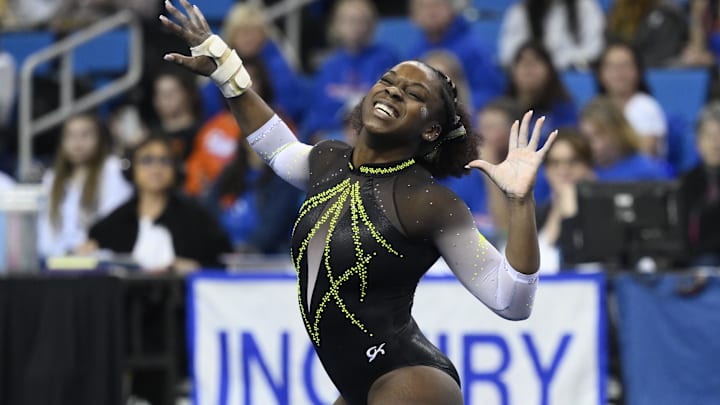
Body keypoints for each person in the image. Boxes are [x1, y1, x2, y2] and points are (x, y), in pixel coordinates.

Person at [160, 1, 556, 403]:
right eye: (388, 81)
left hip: (410, 380)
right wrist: (225, 69)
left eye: (414, 94)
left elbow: (511, 300)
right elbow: (276, 147)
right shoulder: (328, 160)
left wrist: (520, 202)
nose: (393, 92)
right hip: (356, 387)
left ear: (432, 130)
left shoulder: (428, 201)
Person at [82, 135, 232, 272]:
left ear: (176, 169)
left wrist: (195, 268)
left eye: (165, 161)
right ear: (131, 168)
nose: (156, 169)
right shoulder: (113, 222)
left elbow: (221, 261)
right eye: (147, 161)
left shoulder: (197, 219)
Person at [37, 113, 132, 258]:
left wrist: (92, 247)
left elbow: (116, 220)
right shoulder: (52, 178)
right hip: (58, 262)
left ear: (100, 139)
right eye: (71, 136)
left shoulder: (112, 170)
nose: (78, 143)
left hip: (99, 260)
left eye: (86, 135)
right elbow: (46, 229)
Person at [302, 0, 398, 142]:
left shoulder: (387, 60)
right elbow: (316, 114)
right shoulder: (329, 65)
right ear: (335, 25)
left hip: (374, 135)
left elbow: (393, 105)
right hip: (333, 135)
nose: (355, 27)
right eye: (348, 20)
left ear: (371, 24)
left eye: (361, 20)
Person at [199, 2, 304, 122]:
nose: (249, 38)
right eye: (242, 31)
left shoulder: (279, 65)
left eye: (254, 31)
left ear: (264, 34)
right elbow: (209, 106)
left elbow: (290, 106)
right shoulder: (218, 62)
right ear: (232, 34)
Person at [204, 140, 302, 254]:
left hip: (264, 257)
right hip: (222, 251)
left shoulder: (283, 179)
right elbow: (208, 211)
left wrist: (245, 250)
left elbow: (274, 226)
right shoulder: (228, 174)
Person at [408, 0, 504, 111]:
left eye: (436, 5)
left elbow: (490, 92)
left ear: (451, 8)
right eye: (423, 7)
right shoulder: (415, 51)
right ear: (413, 15)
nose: (430, 12)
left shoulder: (474, 48)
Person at [596, 41, 668, 158]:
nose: (618, 72)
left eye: (625, 65)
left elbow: (647, 153)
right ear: (600, 73)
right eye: (612, 66)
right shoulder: (596, 108)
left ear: (638, 71)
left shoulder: (646, 107)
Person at [536, 129, 594, 273]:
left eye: (572, 162)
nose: (563, 170)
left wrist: (569, 216)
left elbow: (574, 266)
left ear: (587, 166)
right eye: (555, 163)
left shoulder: (601, 214)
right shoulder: (537, 213)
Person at [579, 96, 669, 181]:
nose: (591, 146)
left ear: (618, 132)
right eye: (587, 138)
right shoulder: (583, 172)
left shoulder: (647, 172)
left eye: (598, 135)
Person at [499, 0, 605, 70]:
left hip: (572, 74)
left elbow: (595, 48)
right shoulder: (520, 11)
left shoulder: (586, 6)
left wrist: (558, 63)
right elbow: (509, 54)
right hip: (535, 77)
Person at [506, 41, 578, 142]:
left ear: (549, 70)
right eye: (522, 61)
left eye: (536, 61)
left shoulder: (563, 110)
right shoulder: (502, 109)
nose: (528, 67)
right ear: (513, 72)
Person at [680, 101, 720, 266]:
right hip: (701, 259)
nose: (716, 143)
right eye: (710, 136)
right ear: (697, 142)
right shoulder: (686, 182)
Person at [606, 0, 688, 67]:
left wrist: (633, 65)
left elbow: (665, 53)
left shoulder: (668, 14)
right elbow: (612, 47)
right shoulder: (615, 14)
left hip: (658, 71)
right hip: (625, 69)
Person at [151, 68, 203, 160]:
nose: (165, 98)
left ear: (189, 94)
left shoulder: (204, 134)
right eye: (160, 93)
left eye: (172, 92)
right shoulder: (150, 138)